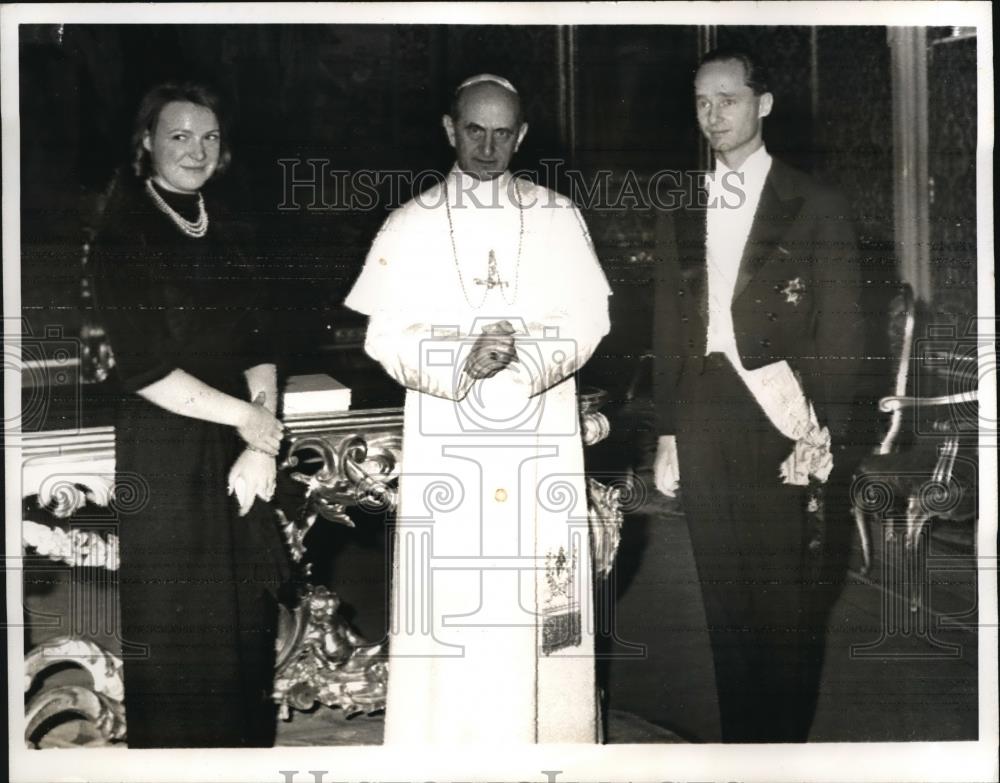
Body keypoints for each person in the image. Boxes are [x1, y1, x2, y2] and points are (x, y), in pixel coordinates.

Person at [344, 74, 612, 744]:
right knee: (457, 612)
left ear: (522, 135)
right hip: (450, 445)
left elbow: (590, 318)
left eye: (503, 134)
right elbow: (382, 334)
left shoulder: (557, 215)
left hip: (537, 436)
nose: (488, 147)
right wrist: (461, 356)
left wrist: (524, 358)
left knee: (538, 609)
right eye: (474, 131)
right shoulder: (410, 222)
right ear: (449, 129)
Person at [651, 48, 865, 742]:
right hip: (701, 408)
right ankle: (744, 749)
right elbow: (665, 322)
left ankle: (784, 748)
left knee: (786, 600)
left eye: (728, 100)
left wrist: (824, 429)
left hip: (780, 413)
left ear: (763, 104)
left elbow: (842, 326)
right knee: (723, 596)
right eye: (701, 102)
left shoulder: (815, 202)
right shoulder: (678, 203)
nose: (713, 116)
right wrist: (666, 432)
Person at [90, 82, 289, 748]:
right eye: (180, 136)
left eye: (209, 138)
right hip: (167, 451)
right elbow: (145, 368)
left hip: (236, 448)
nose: (197, 151)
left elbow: (262, 342)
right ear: (146, 142)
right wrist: (250, 420)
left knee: (243, 630)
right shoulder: (123, 233)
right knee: (184, 642)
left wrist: (261, 441)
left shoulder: (230, 224)